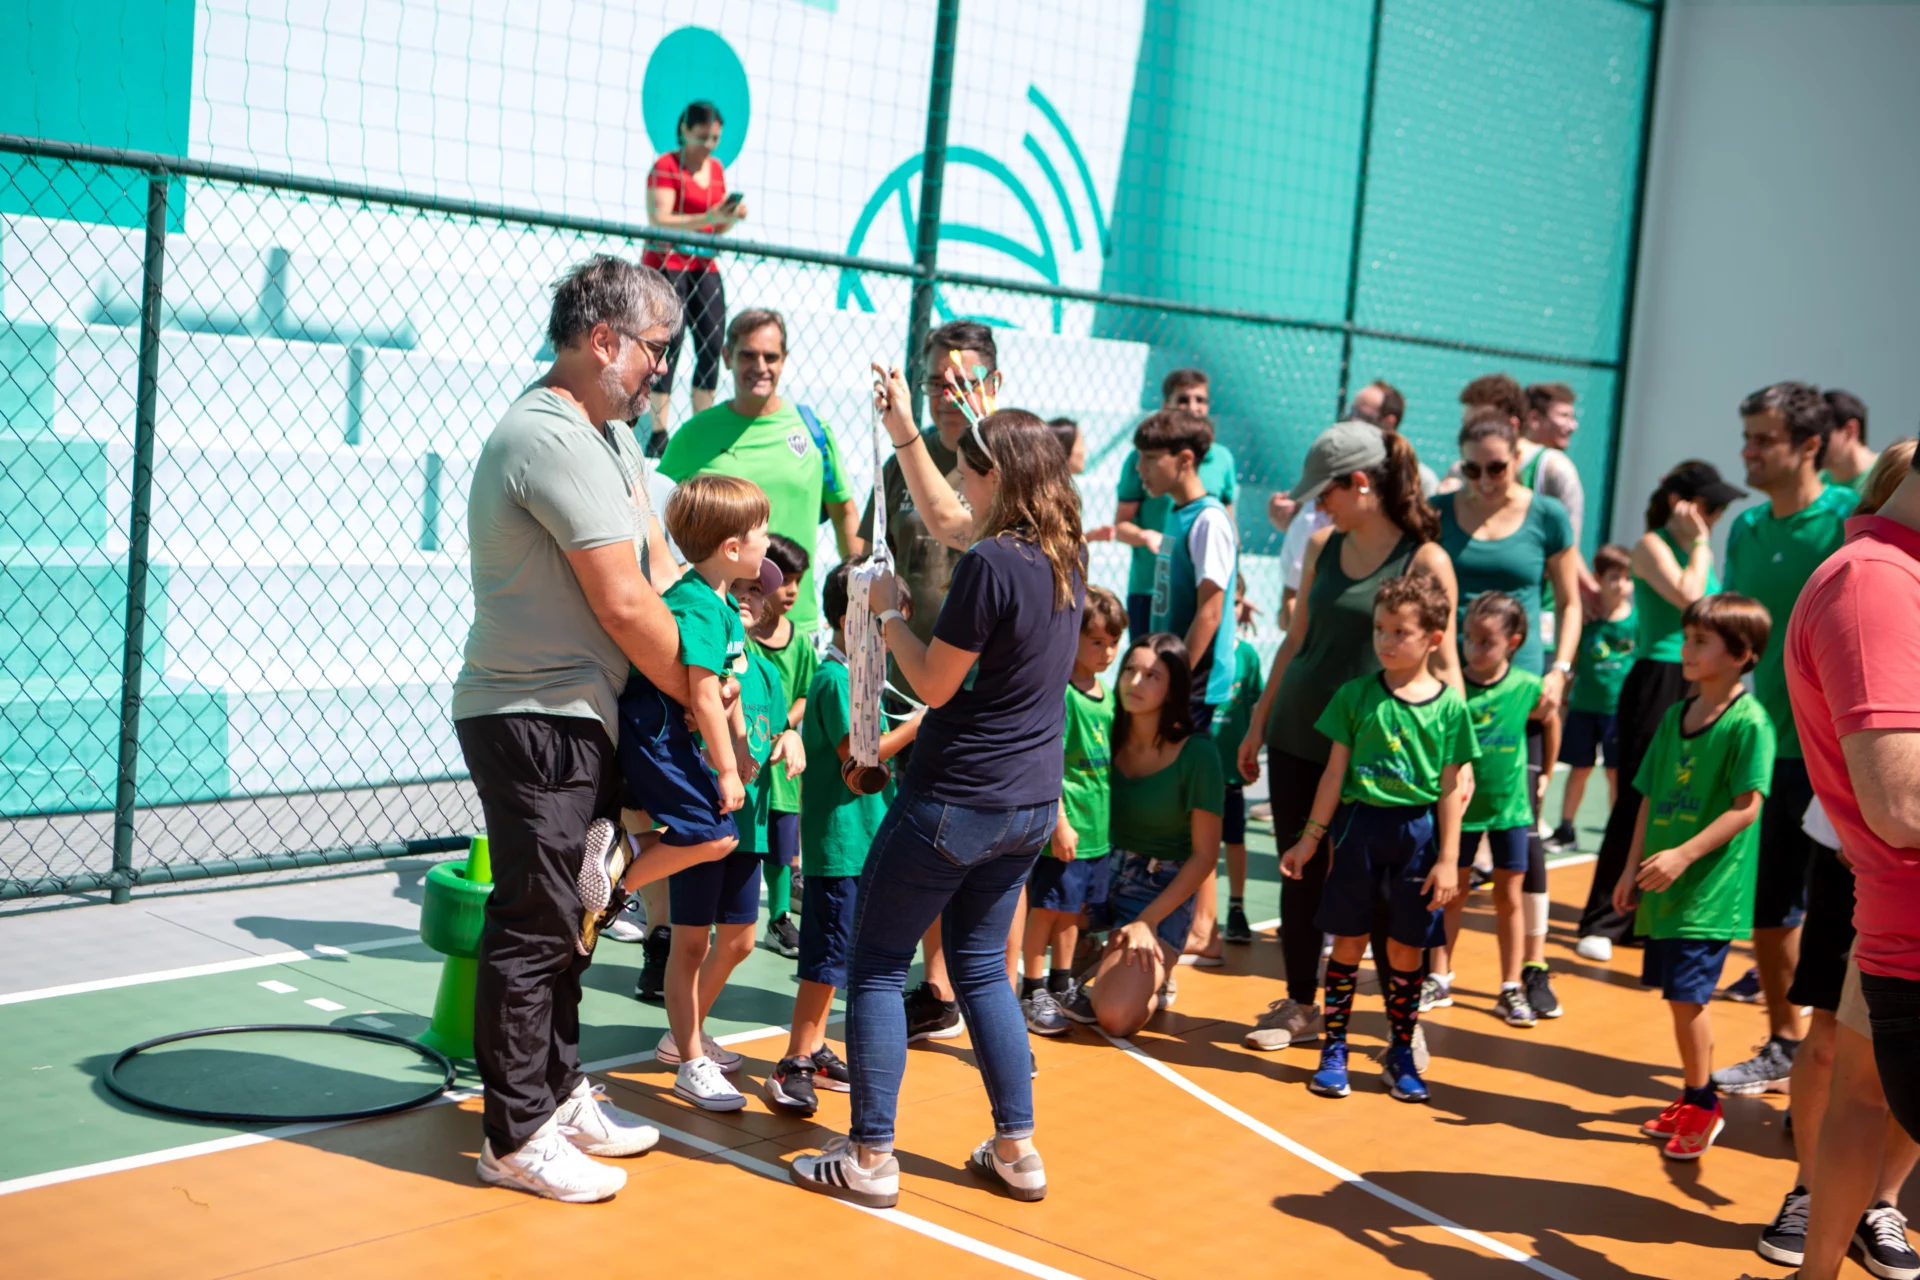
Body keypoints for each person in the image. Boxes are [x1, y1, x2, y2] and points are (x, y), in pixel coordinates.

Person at [789, 394, 1085, 1210]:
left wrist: (885, 614)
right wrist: (904, 434)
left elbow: (933, 682)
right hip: (1029, 804)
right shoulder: (1066, 552)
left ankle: (870, 1156)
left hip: (958, 797)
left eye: (966, 471)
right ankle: (1017, 1149)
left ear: (998, 477)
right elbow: (953, 525)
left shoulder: (991, 563)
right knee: (983, 968)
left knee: (878, 963)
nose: (958, 487)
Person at [452, 254, 683, 1202]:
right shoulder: (546, 437)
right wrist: (702, 694)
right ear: (603, 340)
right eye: (654, 349)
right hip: (534, 716)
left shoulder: (612, 436)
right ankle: (514, 1139)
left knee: (579, 918)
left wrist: (721, 654)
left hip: (586, 716)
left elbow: (661, 567)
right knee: (538, 922)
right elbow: (625, 601)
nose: (661, 368)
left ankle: (555, 1094)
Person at [1237, 421, 1459, 1055]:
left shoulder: (1426, 560)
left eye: (1325, 493)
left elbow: (1447, 668)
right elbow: (1297, 640)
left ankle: (1400, 1023)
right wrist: (1259, 721)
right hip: (1301, 735)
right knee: (1300, 872)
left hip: (1386, 759)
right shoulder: (1321, 546)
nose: (1318, 506)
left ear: (1361, 482)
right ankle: (1299, 1002)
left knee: (1390, 891)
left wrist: (1458, 760)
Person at [585, 475, 773, 1111]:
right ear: (730, 548)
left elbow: (722, 692)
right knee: (713, 835)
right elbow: (701, 694)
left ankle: (619, 875)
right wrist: (727, 770)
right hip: (659, 734)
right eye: (760, 533)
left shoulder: (714, 602)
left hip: (672, 735)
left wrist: (738, 746)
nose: (767, 542)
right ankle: (621, 873)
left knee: (716, 838)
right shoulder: (700, 605)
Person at [1778, 452, 1920, 1277]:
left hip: (1892, 919)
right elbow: (1900, 802)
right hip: (1897, 917)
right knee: (1843, 1069)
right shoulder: (1875, 583)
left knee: (1860, 1092)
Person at [857, 319, 1002, 1044]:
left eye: (963, 381)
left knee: (983, 855)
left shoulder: (1009, 465)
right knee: (919, 839)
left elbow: (954, 525)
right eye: (937, 382)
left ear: (993, 386)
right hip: (906, 677)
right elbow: (872, 551)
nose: (949, 395)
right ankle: (937, 987)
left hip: (978, 692)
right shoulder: (898, 468)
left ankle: (990, 989)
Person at [1280, 573, 1478, 1104]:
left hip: (1417, 837)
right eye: (1380, 629)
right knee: (1348, 942)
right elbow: (1333, 775)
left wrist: (1449, 860)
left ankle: (1401, 1049)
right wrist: (1309, 839)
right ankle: (1335, 1049)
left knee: (1406, 948)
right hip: (1359, 831)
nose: (1386, 641)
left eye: (1400, 632)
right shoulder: (1355, 696)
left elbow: (1450, 789)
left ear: (1434, 638)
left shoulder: (1450, 707)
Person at [1713, 382, 1855, 1099]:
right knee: (1769, 912)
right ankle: (1784, 1043)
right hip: (1767, 753)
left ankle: (1845, 1062)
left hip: (1841, 760)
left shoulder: (1850, 518)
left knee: (1846, 922)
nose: (1748, 451)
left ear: (1809, 445)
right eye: (1747, 437)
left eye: (1763, 439)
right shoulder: (1744, 528)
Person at [1613, 593, 1775, 1161]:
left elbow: (1747, 807)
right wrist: (1631, 867)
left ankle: (1704, 1105)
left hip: (1708, 889)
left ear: (1742, 654)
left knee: (1689, 999)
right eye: (1686, 638)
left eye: (1701, 641)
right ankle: (1692, 1095)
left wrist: (1682, 855)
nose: (1687, 649)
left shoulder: (1749, 723)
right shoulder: (1673, 717)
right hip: (1665, 884)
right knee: (1678, 999)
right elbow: (1649, 795)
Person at [1435, 406, 1582, 1019]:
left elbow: (1571, 602)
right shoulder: (1441, 512)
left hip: (1521, 695)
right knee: (1446, 832)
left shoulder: (1546, 515)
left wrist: (1559, 671)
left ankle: (1529, 970)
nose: (1484, 480)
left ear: (1517, 457)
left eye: (1495, 467)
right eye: (1472, 468)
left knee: (1523, 836)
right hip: (1450, 692)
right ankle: (1433, 968)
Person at [767, 560, 922, 1116]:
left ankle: (814, 1047)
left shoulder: (855, 675)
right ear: (850, 621)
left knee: (840, 956)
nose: (894, 639)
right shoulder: (835, 680)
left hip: (860, 841)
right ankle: (793, 1060)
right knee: (826, 957)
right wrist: (918, 725)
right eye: (887, 624)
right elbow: (859, 757)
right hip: (839, 845)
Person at [1574, 461, 1743, 960]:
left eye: (1719, 509)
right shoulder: (1653, 545)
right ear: (1680, 504)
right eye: (1709, 506)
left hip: (1700, 681)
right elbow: (1693, 601)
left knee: (1684, 797)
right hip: (1658, 678)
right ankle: (1604, 919)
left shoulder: (1697, 553)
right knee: (1639, 795)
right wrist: (1700, 542)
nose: (1714, 517)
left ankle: (1648, 916)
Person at [1753, 801, 1920, 1277]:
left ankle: (1882, 1205)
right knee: (1827, 1038)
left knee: (1911, 1052)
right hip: (1851, 847)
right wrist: (1859, 824)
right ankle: (1809, 1192)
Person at [659, 309, 861, 638]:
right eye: (748, 355)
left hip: (795, 627)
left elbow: (845, 514)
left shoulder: (813, 431)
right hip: (719, 623)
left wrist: (857, 596)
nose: (760, 366)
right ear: (727, 357)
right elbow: (656, 516)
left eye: (771, 356)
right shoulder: (693, 435)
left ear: (785, 359)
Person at [1075, 632, 1226, 1038]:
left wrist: (1147, 921)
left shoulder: (1199, 754)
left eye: (1152, 676)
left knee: (1115, 1016)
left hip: (1158, 888)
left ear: (1174, 688)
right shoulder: (1105, 730)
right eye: (1130, 670)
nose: (1135, 682)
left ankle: (1153, 974)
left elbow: (1205, 856)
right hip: (1099, 871)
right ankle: (1096, 951)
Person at [1430, 592, 1550, 1026]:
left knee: (1509, 897)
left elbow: (1550, 717)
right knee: (1452, 893)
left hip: (1510, 811)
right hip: (1460, 811)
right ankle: (1438, 977)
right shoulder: (1452, 688)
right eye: (1468, 638)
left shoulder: (1526, 686)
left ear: (1512, 642)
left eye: (1486, 641)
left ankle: (1510, 987)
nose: (1474, 649)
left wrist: (1546, 771)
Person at [1021, 586, 1125, 1036]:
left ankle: (1062, 982)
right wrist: (1059, 822)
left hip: (1095, 830)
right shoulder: (1062, 694)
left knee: (1071, 910)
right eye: (1096, 641)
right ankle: (1032, 987)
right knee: (1046, 909)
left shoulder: (1109, 695)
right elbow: (1050, 763)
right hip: (1065, 826)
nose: (1107, 652)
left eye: (1113, 643)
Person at [1104, 369, 1236, 640]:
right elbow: (1121, 524)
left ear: (1187, 461)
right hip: (1150, 588)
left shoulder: (1210, 509)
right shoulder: (1148, 473)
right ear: (1166, 406)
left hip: (1191, 592)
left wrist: (1237, 586)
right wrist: (1145, 536)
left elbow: (1228, 532)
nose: (1193, 407)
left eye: (1200, 400)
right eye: (1183, 399)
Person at [642, 101, 745, 443]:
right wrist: (710, 217)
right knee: (669, 342)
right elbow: (660, 219)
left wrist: (729, 217)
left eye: (715, 139)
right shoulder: (666, 166)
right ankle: (659, 431)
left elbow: (716, 227)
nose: (709, 146)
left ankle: (701, 429)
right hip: (668, 263)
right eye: (702, 137)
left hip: (703, 264)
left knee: (713, 344)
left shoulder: (715, 169)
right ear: (684, 131)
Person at [1132, 408, 1238, 729]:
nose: (1140, 468)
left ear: (1185, 459)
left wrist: (1176, 680)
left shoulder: (1208, 520)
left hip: (1193, 683)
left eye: (1150, 458)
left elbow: (1210, 612)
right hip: (1172, 675)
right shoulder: (1177, 512)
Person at [747, 532, 816, 959]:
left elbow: (806, 692)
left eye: (798, 582)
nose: (791, 590)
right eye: (785, 580)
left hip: (782, 766)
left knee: (781, 843)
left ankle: (778, 918)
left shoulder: (801, 641)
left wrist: (783, 725)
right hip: (742, 757)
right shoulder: (740, 632)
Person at [1549, 544, 1637, 852]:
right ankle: (1566, 829)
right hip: (1584, 707)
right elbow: (1572, 663)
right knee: (1580, 769)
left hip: (1618, 712)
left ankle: (1616, 833)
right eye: (1613, 577)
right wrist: (1563, 702)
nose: (1621, 585)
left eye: (1627, 578)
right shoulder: (1587, 620)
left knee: (1615, 772)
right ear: (1597, 578)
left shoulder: (1637, 621)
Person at [1207, 580, 1264, 947]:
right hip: (1200, 772)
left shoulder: (1248, 656)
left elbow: (1257, 706)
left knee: (1234, 840)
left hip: (1230, 772)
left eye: (1238, 602)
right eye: (1228, 601)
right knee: (1200, 845)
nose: (1232, 609)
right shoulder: (1199, 650)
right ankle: (1201, 915)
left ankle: (1237, 907)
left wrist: (1253, 749)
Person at [1819, 389, 1876, 498]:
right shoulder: (1817, 485)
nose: (1815, 443)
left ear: (1850, 430)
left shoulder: (1889, 472)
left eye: (1823, 434)